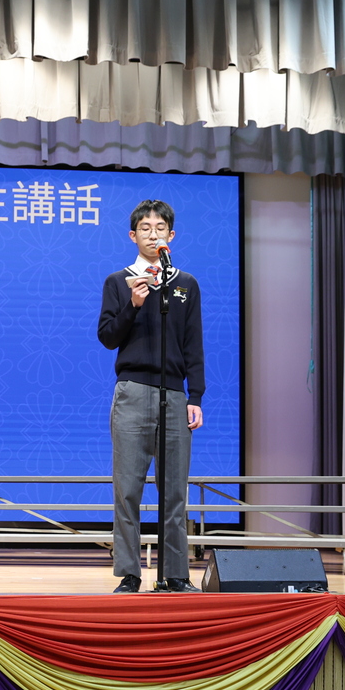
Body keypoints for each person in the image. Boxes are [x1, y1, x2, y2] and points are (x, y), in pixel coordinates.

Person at [97, 199, 204, 593]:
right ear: (133, 235)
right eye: (145, 228)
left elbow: (193, 344)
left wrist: (196, 395)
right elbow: (107, 337)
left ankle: (176, 574)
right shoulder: (119, 282)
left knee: (174, 490)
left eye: (160, 228)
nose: (152, 234)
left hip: (174, 395)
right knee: (127, 489)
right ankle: (129, 573)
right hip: (132, 392)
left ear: (171, 235)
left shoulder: (186, 284)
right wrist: (133, 304)